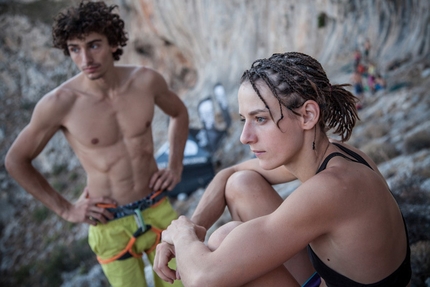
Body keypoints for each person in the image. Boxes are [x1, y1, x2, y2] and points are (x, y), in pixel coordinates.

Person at [153, 52, 411, 287]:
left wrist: (180, 233)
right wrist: (195, 225)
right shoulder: (334, 153)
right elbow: (227, 174)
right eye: (245, 120)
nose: (245, 137)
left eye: (260, 119)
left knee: (224, 240)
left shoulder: (332, 188)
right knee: (240, 184)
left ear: (308, 116)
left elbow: (202, 279)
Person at [5, 1, 188, 287]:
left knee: (183, 283)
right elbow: (15, 160)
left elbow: (179, 113)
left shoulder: (146, 81)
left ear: (113, 43)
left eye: (93, 45)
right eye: (75, 49)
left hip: (157, 207)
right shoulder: (59, 104)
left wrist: (175, 165)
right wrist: (66, 209)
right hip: (108, 223)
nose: (84, 58)